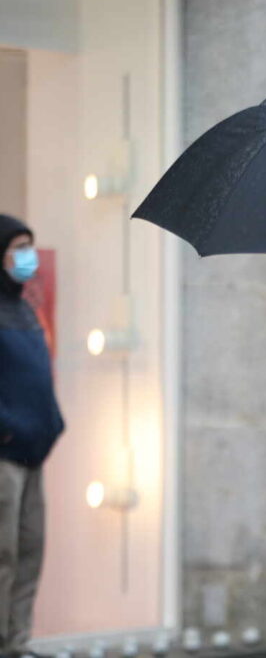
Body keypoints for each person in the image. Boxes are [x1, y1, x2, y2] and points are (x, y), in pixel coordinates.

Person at [0, 215, 64, 658]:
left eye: (30, 246)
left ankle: (17, 642)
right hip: (4, 454)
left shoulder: (24, 309)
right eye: (19, 246)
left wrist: (53, 423)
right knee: (1, 556)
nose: (28, 256)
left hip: (33, 455)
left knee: (28, 554)